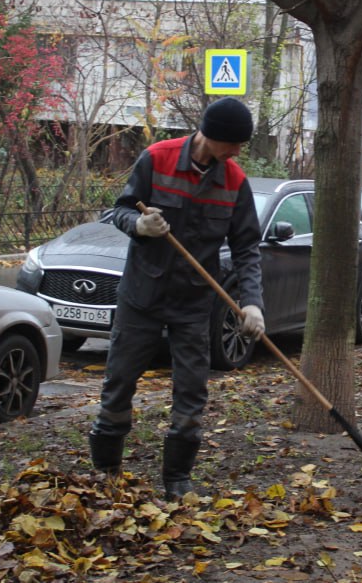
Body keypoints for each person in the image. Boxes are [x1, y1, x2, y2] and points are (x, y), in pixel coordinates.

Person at [89, 96, 265, 500]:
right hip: (141, 297)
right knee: (118, 385)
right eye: (234, 143)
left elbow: (247, 248)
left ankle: (177, 482)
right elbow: (116, 211)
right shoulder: (157, 158)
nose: (237, 152)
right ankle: (106, 475)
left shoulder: (234, 180)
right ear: (212, 135)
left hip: (193, 304)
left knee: (191, 392)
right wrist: (139, 225)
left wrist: (252, 302)